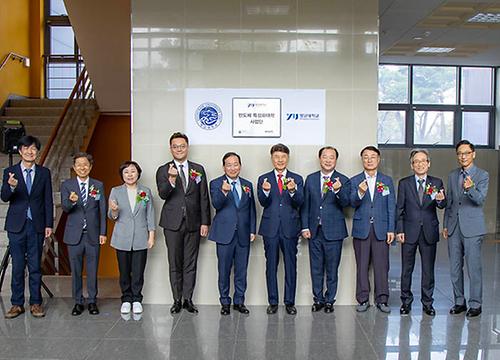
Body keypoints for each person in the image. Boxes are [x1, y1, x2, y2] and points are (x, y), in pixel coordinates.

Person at [156, 132, 211, 314]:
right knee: (174, 262)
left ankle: (188, 299)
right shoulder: (163, 170)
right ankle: (176, 299)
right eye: (175, 146)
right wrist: (171, 179)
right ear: (170, 149)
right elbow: (163, 194)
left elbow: (204, 196)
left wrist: (205, 222)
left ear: (187, 147)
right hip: (172, 223)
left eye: (182, 146)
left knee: (191, 262)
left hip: (194, 223)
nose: (179, 149)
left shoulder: (198, 169)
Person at [1, 135, 53, 319]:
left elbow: (48, 200)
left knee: (35, 266)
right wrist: (11, 186)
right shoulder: (10, 171)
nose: (30, 152)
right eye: (27, 149)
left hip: (37, 225)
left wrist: (49, 224)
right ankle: (16, 304)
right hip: (16, 225)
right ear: (20, 151)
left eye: (34, 149)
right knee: (17, 266)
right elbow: (4, 197)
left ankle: (36, 303)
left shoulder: (44, 173)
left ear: (37, 152)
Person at [396, 149, 446, 317]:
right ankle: (406, 302)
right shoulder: (404, 183)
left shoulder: (437, 182)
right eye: (416, 161)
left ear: (428, 163)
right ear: (412, 165)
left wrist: (440, 200)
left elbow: (442, 204)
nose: (420, 164)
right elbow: (400, 209)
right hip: (409, 232)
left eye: (423, 161)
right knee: (406, 269)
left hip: (429, 232)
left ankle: (427, 303)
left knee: (428, 270)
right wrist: (400, 230)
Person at [301, 146, 350, 314]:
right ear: (319, 159)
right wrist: (305, 226)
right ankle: (318, 299)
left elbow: (346, 203)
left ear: (336, 160)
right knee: (315, 268)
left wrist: (338, 189)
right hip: (314, 231)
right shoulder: (311, 179)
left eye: (331, 157)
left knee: (332, 268)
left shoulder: (343, 180)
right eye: (325, 157)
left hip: (334, 232)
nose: (328, 160)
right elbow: (305, 205)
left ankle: (330, 300)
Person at [443, 140, 489, 318]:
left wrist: (471, 189)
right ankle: (459, 302)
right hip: (454, 227)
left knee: (473, 268)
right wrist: (446, 225)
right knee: (455, 268)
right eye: (460, 153)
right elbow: (450, 203)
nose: (463, 156)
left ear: (473, 154)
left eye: (467, 153)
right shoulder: (453, 175)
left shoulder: (482, 175)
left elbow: (480, 200)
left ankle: (475, 304)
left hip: (473, 228)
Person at [257, 143, 304, 315]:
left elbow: (300, 202)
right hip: (270, 229)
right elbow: (262, 201)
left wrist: (292, 191)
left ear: (288, 158)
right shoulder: (264, 178)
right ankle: (273, 302)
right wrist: (266, 191)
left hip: (290, 228)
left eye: (283, 157)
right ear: (272, 158)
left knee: (291, 266)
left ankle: (290, 302)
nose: (280, 160)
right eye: (277, 157)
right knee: (271, 266)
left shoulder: (297, 178)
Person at [208, 152, 256, 315]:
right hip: (224, 234)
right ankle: (225, 302)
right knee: (224, 270)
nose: (233, 167)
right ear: (224, 167)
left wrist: (252, 230)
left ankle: (239, 301)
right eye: (229, 165)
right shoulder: (216, 183)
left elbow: (251, 209)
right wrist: (224, 192)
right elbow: (216, 204)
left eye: (236, 164)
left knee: (242, 270)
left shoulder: (247, 184)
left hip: (243, 233)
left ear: (240, 166)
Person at [350, 145, 395, 313]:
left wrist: (391, 229)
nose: (369, 160)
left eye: (372, 157)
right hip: (361, 228)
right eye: (366, 157)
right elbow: (351, 202)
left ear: (378, 160)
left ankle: (382, 299)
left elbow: (391, 206)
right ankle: (362, 300)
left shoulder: (386, 180)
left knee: (382, 266)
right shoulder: (355, 181)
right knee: (361, 266)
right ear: (362, 160)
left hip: (381, 229)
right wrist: (360, 193)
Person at [61, 152, 107, 316]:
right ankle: (78, 301)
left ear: (90, 166)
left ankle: (93, 301)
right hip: (74, 235)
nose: (82, 167)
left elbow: (102, 209)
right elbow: (65, 208)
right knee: (76, 270)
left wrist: (103, 232)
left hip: (93, 234)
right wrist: (72, 201)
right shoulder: (67, 185)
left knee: (93, 269)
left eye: (85, 164)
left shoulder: (98, 185)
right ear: (74, 167)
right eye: (79, 164)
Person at [109, 161, 155, 314]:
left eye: (133, 171)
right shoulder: (115, 191)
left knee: (138, 271)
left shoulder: (145, 191)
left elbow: (150, 214)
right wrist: (114, 210)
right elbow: (112, 216)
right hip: (122, 237)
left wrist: (151, 236)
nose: (130, 175)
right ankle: (126, 299)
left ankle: (137, 299)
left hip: (141, 237)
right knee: (124, 271)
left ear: (138, 173)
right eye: (126, 172)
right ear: (122, 175)